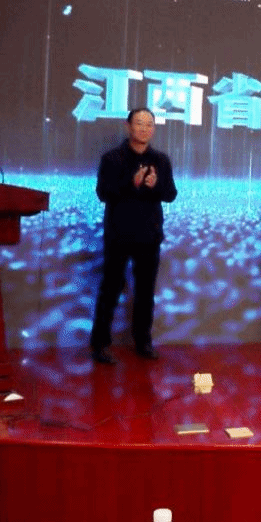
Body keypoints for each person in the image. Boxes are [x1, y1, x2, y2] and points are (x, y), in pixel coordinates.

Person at [90, 108, 177, 365]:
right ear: (128, 126)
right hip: (118, 234)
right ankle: (100, 344)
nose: (144, 129)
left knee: (145, 292)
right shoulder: (112, 158)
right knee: (110, 289)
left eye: (149, 124)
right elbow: (103, 193)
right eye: (139, 123)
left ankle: (143, 342)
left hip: (149, 235)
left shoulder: (161, 160)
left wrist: (155, 186)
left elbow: (170, 194)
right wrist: (133, 184)